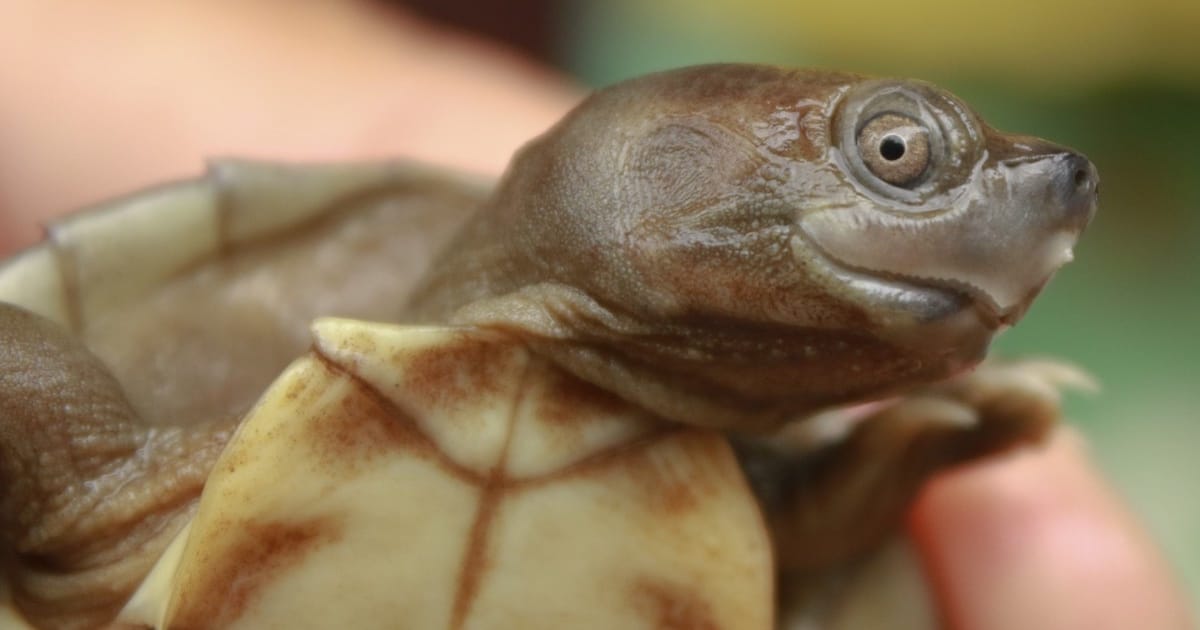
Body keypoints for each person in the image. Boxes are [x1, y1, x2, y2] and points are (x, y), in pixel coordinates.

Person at [0, 2, 1191, 628]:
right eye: (895, 153)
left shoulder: (788, 511)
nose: (1031, 219)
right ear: (654, 154)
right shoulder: (109, 486)